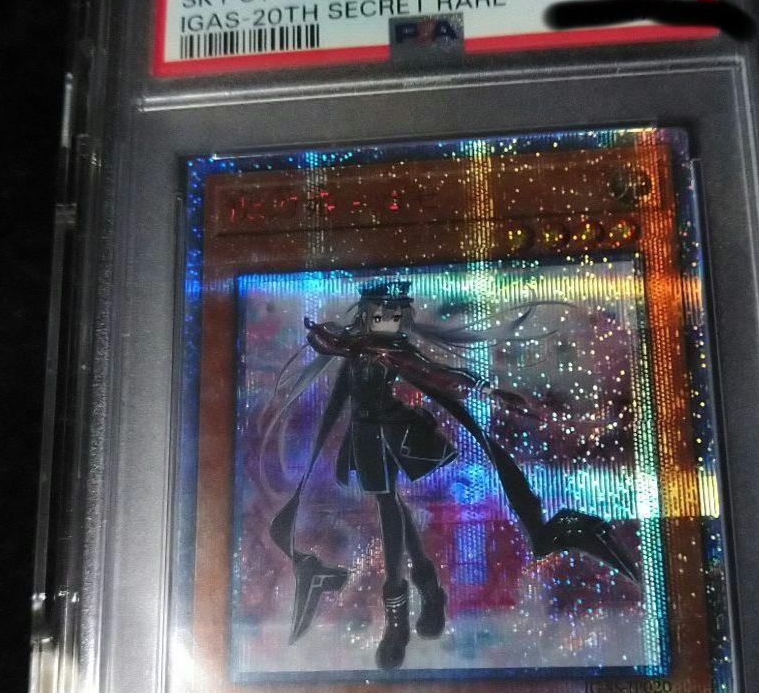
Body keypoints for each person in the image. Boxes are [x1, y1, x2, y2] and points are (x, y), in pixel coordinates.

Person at [263, 279, 639, 670]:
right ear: (366, 315)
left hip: (394, 435)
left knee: (390, 509)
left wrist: (490, 391)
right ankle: (428, 585)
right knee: (391, 506)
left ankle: (397, 613)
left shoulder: (398, 352)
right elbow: (329, 346)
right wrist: (329, 338)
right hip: (364, 438)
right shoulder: (358, 347)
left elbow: (441, 374)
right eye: (379, 315)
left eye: (394, 315)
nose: (387, 322)